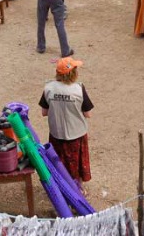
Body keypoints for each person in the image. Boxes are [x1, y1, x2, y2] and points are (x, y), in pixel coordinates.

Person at [39, 57, 93, 194]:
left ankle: (62, 187)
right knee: (76, 163)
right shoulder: (79, 89)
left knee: (59, 162)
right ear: (74, 73)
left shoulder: (49, 88)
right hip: (76, 134)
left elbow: (44, 112)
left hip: (57, 133)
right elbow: (88, 114)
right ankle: (78, 188)